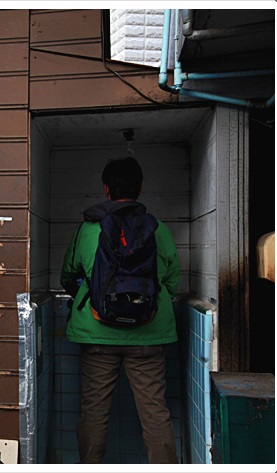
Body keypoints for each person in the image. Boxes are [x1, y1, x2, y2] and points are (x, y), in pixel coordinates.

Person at [60, 156, 180, 464]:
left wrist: (94, 301)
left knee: (93, 411)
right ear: (140, 188)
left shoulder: (88, 229)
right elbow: (171, 281)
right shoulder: (158, 229)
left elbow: (68, 274)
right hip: (149, 335)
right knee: (155, 413)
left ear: (106, 189)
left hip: (97, 334)